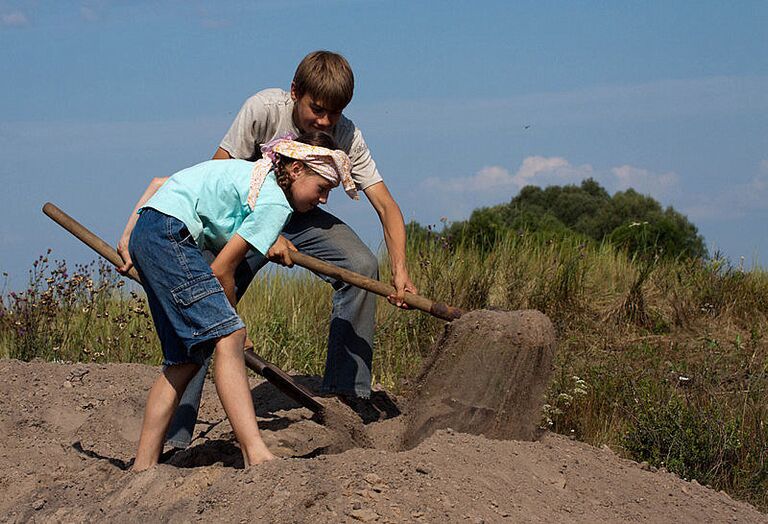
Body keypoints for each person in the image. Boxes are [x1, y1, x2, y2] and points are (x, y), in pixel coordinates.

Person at [164, 50, 416, 449]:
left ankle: (346, 396)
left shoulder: (347, 134)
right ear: (295, 92)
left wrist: (401, 270)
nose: (325, 122)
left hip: (302, 213)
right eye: (317, 109)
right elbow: (214, 172)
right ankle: (174, 438)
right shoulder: (263, 109)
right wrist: (262, 231)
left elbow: (387, 206)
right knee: (205, 310)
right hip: (243, 216)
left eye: (335, 113)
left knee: (362, 265)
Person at [116, 132, 354, 470]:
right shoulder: (275, 202)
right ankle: (255, 452)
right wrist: (234, 327)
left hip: (151, 230)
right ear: (298, 169)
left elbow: (160, 183)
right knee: (229, 336)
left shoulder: (256, 177)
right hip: (170, 234)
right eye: (323, 188)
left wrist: (129, 234)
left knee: (183, 361)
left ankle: (142, 467)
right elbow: (221, 269)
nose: (325, 199)